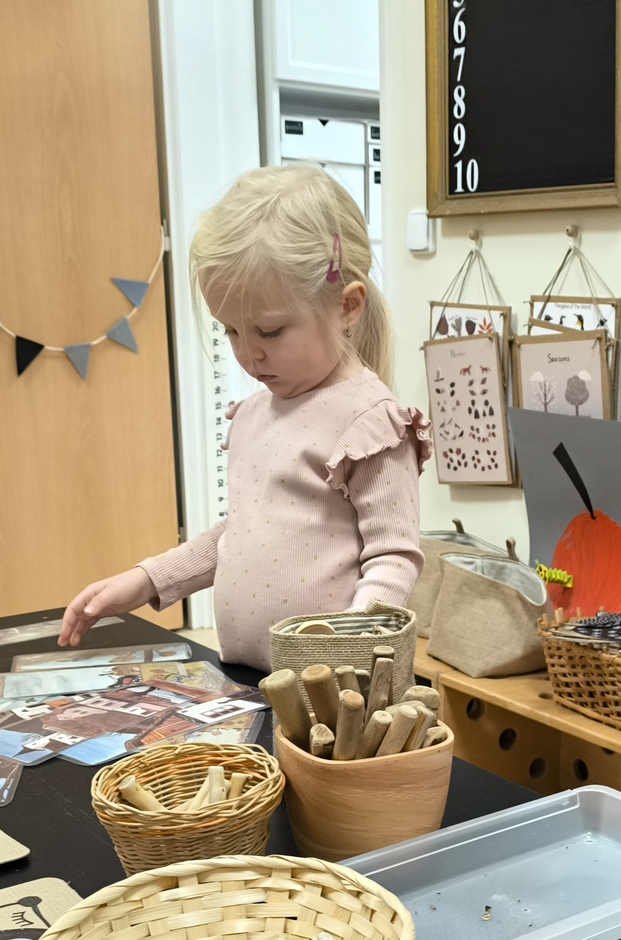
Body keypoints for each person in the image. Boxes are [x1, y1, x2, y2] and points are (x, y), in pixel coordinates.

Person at [60, 167, 427, 665]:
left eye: (270, 332)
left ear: (347, 306)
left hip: (334, 689)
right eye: (230, 331)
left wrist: (350, 651)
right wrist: (146, 579)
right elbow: (241, 534)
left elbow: (393, 557)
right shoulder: (254, 415)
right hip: (245, 678)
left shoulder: (372, 425)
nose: (248, 354)